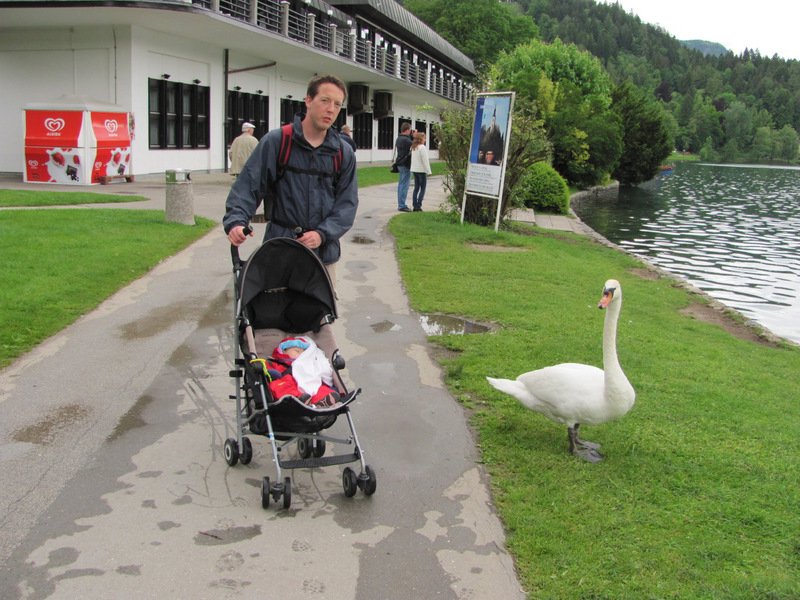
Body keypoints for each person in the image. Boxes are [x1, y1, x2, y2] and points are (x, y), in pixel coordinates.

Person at [223, 75, 358, 289]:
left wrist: (322, 234)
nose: (331, 109)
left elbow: (346, 205)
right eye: (325, 100)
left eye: (337, 104)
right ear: (308, 101)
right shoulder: (278, 142)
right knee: (272, 317)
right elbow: (248, 186)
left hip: (322, 257)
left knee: (322, 320)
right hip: (279, 252)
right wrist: (236, 222)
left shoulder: (343, 153)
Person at [393, 122, 413, 212]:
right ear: (407, 130)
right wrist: (415, 136)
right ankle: (402, 205)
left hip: (400, 163)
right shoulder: (407, 140)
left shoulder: (399, 138)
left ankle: (401, 203)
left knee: (401, 184)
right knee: (405, 185)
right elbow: (414, 145)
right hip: (406, 164)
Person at [410, 131, 431, 212]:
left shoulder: (413, 147)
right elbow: (425, 161)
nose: (425, 140)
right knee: (422, 188)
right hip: (421, 171)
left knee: (416, 188)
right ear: (421, 139)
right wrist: (428, 171)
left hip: (414, 170)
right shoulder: (422, 147)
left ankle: (415, 205)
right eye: (424, 138)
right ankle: (419, 205)